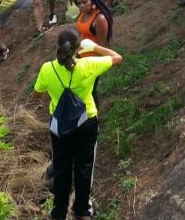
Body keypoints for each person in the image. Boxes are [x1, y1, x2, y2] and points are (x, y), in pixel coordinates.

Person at [33, 29, 123, 220]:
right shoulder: (88, 65)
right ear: (78, 47)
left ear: (57, 47)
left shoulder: (47, 68)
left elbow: (37, 94)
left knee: (61, 166)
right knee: (83, 166)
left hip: (59, 124)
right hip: (86, 121)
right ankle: (81, 210)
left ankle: (59, 212)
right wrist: (95, 47)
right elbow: (117, 57)